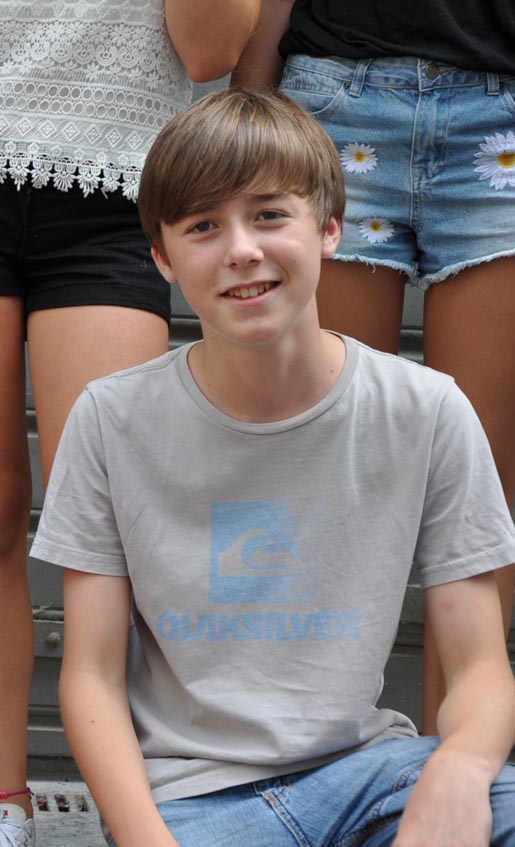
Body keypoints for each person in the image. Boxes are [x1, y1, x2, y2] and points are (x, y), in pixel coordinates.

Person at [32, 88, 515, 846]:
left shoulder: (425, 409)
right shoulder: (110, 418)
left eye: (268, 214)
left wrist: (459, 768)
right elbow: (90, 675)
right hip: (193, 802)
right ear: (162, 259)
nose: (241, 250)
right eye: (202, 225)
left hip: (372, 773)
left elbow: (480, 665)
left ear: (328, 229)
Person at [0, 1, 260, 843]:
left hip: (117, 185)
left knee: (118, 521)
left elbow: (209, 54)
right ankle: (1, 803)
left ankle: (139, 804)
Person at [231, 0, 515, 734]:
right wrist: (248, 117)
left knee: (481, 481)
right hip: (338, 102)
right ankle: (308, 754)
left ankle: (456, 763)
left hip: (501, 121)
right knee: (322, 457)